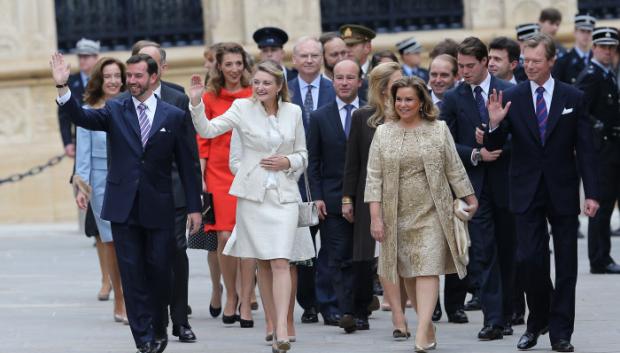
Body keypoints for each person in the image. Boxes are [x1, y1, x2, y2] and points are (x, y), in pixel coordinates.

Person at [51, 52, 202, 353]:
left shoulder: (173, 115)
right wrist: (62, 87)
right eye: (128, 76)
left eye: (136, 76)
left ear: (153, 77)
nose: (130, 81)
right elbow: (82, 117)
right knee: (132, 273)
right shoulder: (115, 108)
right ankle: (143, 337)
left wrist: (195, 207)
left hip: (159, 205)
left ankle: (160, 326)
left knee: (160, 270)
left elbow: (188, 164)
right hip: (122, 206)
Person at [188, 59, 315, 353]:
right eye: (256, 82)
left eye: (266, 83)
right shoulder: (242, 108)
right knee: (263, 263)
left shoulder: (293, 112)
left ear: (279, 86)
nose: (259, 87)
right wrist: (196, 104)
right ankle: (272, 322)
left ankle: (282, 328)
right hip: (253, 199)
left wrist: (288, 161)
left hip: (284, 197)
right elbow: (208, 130)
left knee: (282, 260)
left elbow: (303, 154)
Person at [484, 33, 599, 353]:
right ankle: (537, 321)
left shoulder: (573, 97)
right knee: (528, 260)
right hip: (525, 189)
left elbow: (586, 149)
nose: (530, 66)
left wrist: (592, 193)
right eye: (526, 60)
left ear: (551, 61)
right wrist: (494, 126)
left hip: (562, 190)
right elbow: (493, 148)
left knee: (566, 266)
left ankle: (561, 332)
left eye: (536, 61)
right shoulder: (513, 95)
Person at [365, 76, 478, 351]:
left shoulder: (438, 129)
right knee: (410, 273)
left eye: (409, 100)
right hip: (396, 213)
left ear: (421, 103)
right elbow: (373, 178)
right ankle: (427, 325)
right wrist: (376, 218)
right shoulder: (383, 132)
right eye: (399, 99)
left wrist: (469, 198)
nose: (403, 104)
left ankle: (421, 330)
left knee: (427, 268)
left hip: (432, 211)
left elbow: (454, 166)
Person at [441, 37, 515, 340]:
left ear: (486, 62)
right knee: (484, 252)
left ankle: (509, 313)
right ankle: (493, 319)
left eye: (470, 66)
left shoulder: (510, 92)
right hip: (474, 187)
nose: (464, 71)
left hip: (508, 183)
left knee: (510, 251)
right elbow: (444, 140)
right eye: (460, 66)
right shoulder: (454, 97)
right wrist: (474, 153)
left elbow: (522, 137)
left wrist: (496, 141)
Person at [133, 41, 201, 342]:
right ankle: (152, 316)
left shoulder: (176, 97)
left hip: (173, 192)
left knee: (175, 252)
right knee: (146, 256)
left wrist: (194, 202)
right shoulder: (125, 99)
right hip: (138, 195)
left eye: (152, 61)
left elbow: (188, 154)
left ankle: (181, 319)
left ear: (162, 68)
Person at [342, 62, 410, 338]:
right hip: (368, 194)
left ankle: (404, 311)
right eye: (397, 82)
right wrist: (348, 198)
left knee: (401, 255)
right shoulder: (363, 116)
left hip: (405, 194)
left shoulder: (409, 111)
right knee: (365, 255)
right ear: (383, 88)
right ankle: (360, 309)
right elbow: (353, 162)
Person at [195, 42, 255, 328]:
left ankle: (246, 296)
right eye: (228, 64)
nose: (233, 69)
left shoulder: (255, 93)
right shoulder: (209, 97)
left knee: (248, 236)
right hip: (218, 172)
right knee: (223, 236)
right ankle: (230, 294)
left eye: (238, 63)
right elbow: (202, 139)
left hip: (248, 169)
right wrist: (202, 178)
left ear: (244, 65)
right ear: (219, 66)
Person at [307, 59, 364, 333]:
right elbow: (313, 162)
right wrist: (316, 196)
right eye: (339, 78)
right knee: (334, 255)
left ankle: (358, 308)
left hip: (366, 198)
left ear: (359, 82)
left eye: (350, 78)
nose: (344, 82)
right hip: (330, 198)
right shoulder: (319, 117)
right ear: (333, 82)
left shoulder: (371, 114)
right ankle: (333, 308)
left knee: (362, 257)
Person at [287, 36, 338, 326]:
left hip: (328, 180)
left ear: (322, 59)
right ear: (293, 60)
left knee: (330, 246)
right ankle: (308, 303)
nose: (309, 60)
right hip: (295, 182)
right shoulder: (285, 92)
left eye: (314, 55)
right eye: (303, 56)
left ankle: (328, 300)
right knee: (304, 246)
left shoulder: (335, 89)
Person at [74, 57, 127, 324]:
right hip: (102, 183)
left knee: (133, 241)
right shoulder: (88, 109)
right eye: (108, 76)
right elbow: (82, 155)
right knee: (112, 242)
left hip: (131, 180)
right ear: (100, 80)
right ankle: (120, 298)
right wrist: (82, 188)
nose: (114, 81)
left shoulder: (134, 106)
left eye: (118, 75)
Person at [427, 54, 471, 325]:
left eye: (444, 75)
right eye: (434, 75)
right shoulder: (417, 102)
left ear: (455, 77)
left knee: (457, 245)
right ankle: (430, 303)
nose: (438, 80)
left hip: (454, 184)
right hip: (424, 187)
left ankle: (455, 305)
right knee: (429, 246)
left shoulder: (461, 102)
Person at [575, 27, 620, 275]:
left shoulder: (607, 74)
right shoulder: (592, 75)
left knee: (607, 204)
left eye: (611, 47)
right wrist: (597, 127)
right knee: (600, 207)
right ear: (594, 48)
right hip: (601, 151)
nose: (607, 51)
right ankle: (599, 259)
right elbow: (581, 110)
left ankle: (603, 255)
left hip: (611, 150)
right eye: (603, 47)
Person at [58, 38, 100, 158]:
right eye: (80, 56)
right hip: (80, 141)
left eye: (86, 57)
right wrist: (67, 142)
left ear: (96, 57)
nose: (82, 60)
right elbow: (63, 115)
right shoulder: (69, 82)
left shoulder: (105, 80)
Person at [553, 13, 596, 84]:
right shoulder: (563, 61)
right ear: (575, 32)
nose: (586, 35)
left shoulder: (596, 59)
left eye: (589, 32)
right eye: (582, 31)